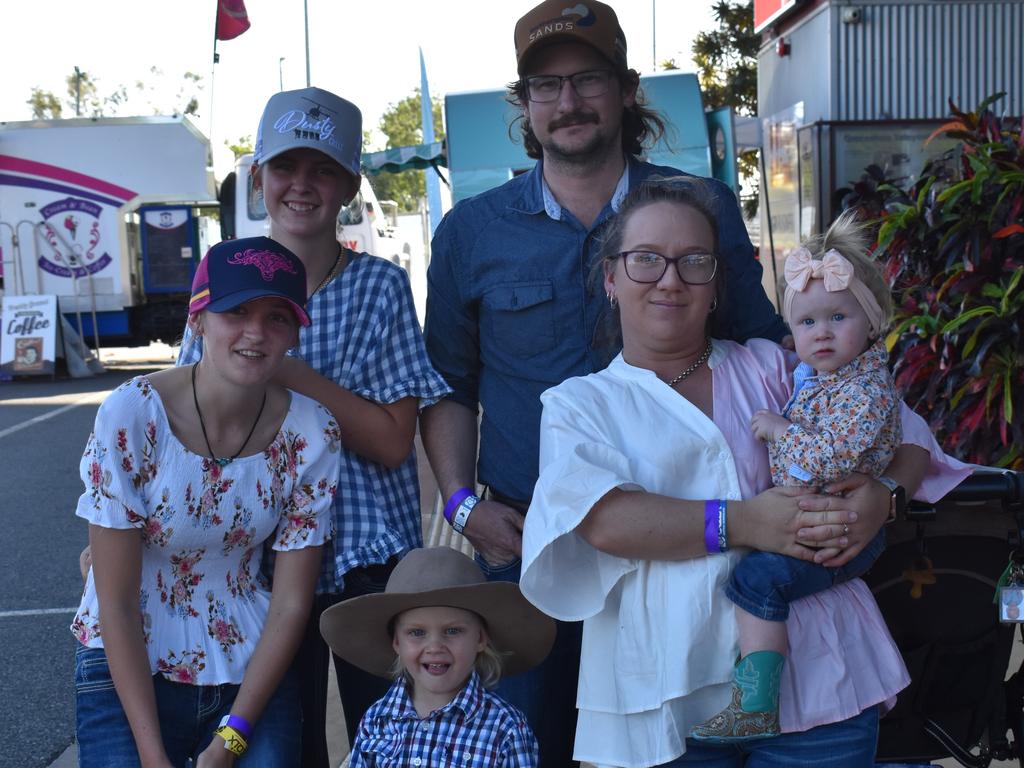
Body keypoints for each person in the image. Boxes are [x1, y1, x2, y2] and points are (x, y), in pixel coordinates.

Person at [421, 2, 786, 762]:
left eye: (588, 79)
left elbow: (767, 349)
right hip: (527, 548)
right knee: (528, 745)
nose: (569, 102)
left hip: (687, 547)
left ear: (626, 91)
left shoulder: (699, 208)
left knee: (681, 746)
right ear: (523, 105)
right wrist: (462, 505)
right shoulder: (472, 232)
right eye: (546, 86)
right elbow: (450, 384)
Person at [518, 177, 973, 768]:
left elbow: (907, 437)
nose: (670, 279)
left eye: (694, 262)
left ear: (715, 286)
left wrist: (883, 497)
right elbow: (606, 521)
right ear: (610, 279)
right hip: (666, 689)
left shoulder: (778, 369)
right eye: (646, 260)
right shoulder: (580, 405)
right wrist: (749, 523)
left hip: (818, 675)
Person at [178, 87, 451, 763]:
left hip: (367, 562)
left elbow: (391, 444)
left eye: (323, 169)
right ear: (258, 178)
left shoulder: (378, 286)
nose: (302, 186)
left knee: (386, 742)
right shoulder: (221, 281)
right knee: (281, 746)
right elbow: (186, 431)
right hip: (253, 565)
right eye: (285, 168)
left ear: (349, 184)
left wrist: (283, 366)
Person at [72, 237, 339, 767]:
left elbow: (290, 603)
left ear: (293, 334)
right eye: (235, 311)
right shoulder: (132, 414)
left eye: (277, 317)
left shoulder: (312, 430)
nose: (256, 332)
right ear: (198, 318)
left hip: (249, 672)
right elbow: (117, 600)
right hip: (125, 665)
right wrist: (152, 756)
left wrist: (229, 741)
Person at [690, 214, 902, 741]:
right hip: (820, 518)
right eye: (807, 323)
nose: (821, 333)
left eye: (838, 317)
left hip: (838, 528)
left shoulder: (866, 388)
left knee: (756, 580)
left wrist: (780, 431)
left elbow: (832, 455)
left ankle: (756, 702)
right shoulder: (820, 377)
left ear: (872, 324)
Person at [319, 547, 556, 767]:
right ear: (397, 643)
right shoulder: (376, 721)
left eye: (453, 631)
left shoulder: (507, 729)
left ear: (481, 639)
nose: (434, 646)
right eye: (417, 632)